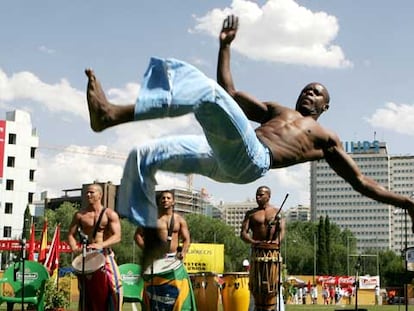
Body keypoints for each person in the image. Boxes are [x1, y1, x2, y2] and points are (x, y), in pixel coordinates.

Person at [85, 15, 414, 267]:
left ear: (324, 107)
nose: (308, 93)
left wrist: (407, 204)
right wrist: (225, 47)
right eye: (306, 88)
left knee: (207, 95)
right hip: (224, 161)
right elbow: (232, 93)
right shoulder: (276, 110)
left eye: (317, 93)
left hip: (255, 159)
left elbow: (361, 181)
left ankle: (112, 114)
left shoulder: (326, 138)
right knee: (152, 153)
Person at [67, 183, 123, 311]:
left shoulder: (109, 214)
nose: (88, 195)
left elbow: (117, 236)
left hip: (105, 254)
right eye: (87, 192)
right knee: (85, 290)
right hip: (87, 256)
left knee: (116, 286)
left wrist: (101, 244)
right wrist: (75, 247)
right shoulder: (80, 215)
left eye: (91, 192)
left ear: (100, 195)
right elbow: (70, 235)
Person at [240, 186, 285, 311]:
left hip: (273, 253)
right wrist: (254, 242)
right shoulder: (251, 214)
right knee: (256, 284)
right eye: (257, 195)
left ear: (268, 196)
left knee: (275, 284)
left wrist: (276, 242)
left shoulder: (277, 212)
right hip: (256, 251)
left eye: (261, 195)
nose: (257, 197)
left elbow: (282, 231)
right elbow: (243, 233)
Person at [134, 189, 191, 261]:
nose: (165, 200)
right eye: (163, 198)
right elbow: (137, 235)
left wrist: (183, 253)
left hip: (174, 258)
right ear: (159, 201)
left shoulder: (179, 220)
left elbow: (186, 239)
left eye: (168, 198)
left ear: (173, 202)